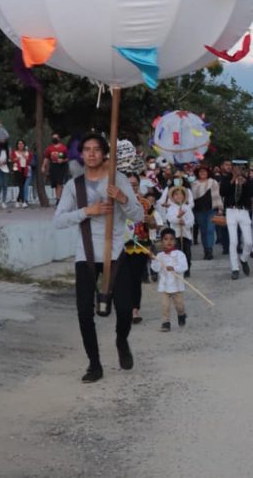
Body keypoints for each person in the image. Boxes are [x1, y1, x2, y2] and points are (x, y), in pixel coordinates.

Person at [52, 132, 144, 383]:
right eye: (86, 149)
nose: (91, 154)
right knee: (84, 312)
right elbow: (58, 220)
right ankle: (94, 364)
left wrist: (123, 199)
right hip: (87, 254)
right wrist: (86, 211)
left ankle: (121, 340)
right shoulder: (74, 186)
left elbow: (137, 215)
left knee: (125, 310)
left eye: (96, 149)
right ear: (81, 155)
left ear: (104, 154)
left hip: (115, 252)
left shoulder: (118, 180)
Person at [124, 173, 153, 326]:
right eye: (128, 184)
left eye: (134, 184)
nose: (132, 187)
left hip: (140, 246)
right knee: (122, 279)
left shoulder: (145, 203)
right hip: (120, 246)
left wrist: (151, 221)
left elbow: (156, 224)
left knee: (135, 279)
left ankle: (134, 310)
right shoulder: (118, 202)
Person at [150, 228, 189, 332]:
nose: (169, 241)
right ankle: (165, 323)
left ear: (175, 241)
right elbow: (156, 268)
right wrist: (153, 260)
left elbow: (184, 266)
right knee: (165, 306)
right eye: (166, 239)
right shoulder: (159, 256)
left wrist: (174, 268)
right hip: (164, 286)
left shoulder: (180, 254)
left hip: (177, 285)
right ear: (162, 241)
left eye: (171, 239)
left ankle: (181, 314)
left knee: (179, 306)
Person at [221, 161, 253, 279]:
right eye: (236, 167)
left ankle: (244, 259)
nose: (238, 170)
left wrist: (245, 183)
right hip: (231, 211)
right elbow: (223, 192)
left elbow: (252, 194)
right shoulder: (226, 179)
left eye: (241, 168)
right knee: (233, 241)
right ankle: (234, 268)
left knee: (249, 242)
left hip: (244, 211)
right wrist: (233, 179)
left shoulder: (247, 180)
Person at [190, 165, 222, 261]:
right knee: (203, 231)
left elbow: (217, 196)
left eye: (205, 171)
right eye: (201, 172)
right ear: (197, 174)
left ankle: (210, 250)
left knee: (210, 230)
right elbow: (191, 198)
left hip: (211, 210)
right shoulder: (194, 184)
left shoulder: (213, 182)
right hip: (199, 210)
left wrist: (220, 208)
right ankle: (205, 250)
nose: (203, 173)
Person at [163, 186, 194, 276]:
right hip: (175, 235)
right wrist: (178, 218)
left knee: (187, 253)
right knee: (177, 252)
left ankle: (187, 268)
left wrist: (185, 222)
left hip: (186, 234)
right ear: (173, 196)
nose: (179, 196)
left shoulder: (187, 208)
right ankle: (178, 268)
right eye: (176, 194)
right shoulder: (171, 208)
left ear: (184, 196)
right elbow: (170, 219)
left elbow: (191, 220)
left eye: (181, 194)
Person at [43, 133, 70, 203]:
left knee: (59, 183)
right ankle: (58, 197)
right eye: (53, 137)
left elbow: (69, 157)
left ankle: (58, 200)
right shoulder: (49, 148)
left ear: (59, 139)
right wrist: (43, 166)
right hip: (53, 166)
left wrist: (63, 160)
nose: (54, 139)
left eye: (56, 137)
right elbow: (46, 158)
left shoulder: (63, 148)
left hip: (61, 167)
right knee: (55, 184)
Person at [10, 139, 32, 208]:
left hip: (25, 170)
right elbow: (12, 159)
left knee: (23, 185)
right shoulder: (14, 152)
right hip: (18, 170)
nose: (20, 145)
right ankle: (23, 201)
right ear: (17, 145)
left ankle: (17, 200)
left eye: (22, 143)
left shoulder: (27, 152)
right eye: (19, 144)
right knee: (21, 185)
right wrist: (16, 159)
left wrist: (26, 157)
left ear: (24, 145)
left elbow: (29, 161)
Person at [0, 141, 10, 208]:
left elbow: (9, 159)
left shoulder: (8, 149)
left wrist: (5, 162)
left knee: (5, 185)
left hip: (5, 169)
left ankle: (3, 201)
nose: (3, 141)